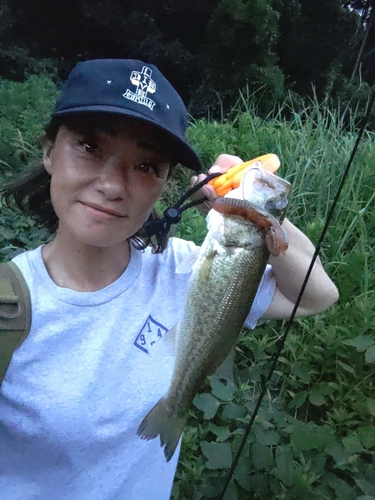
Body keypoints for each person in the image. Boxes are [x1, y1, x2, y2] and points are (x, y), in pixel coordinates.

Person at [0, 59, 338, 500]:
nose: (112, 184)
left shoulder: (183, 271)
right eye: (89, 147)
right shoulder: (9, 311)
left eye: (146, 166)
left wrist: (257, 208)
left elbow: (317, 296)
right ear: (49, 150)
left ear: (165, 184)